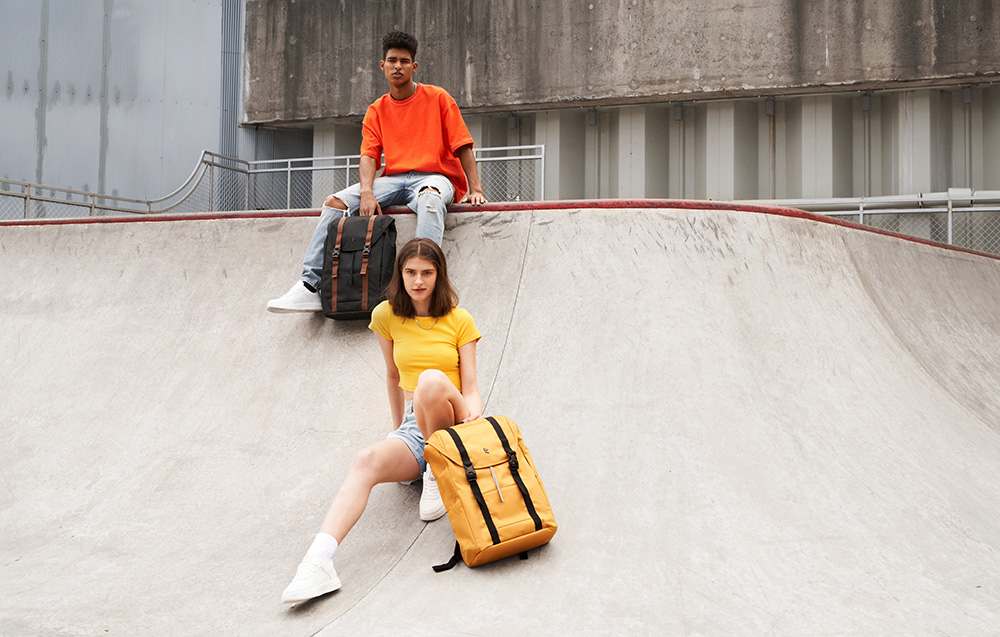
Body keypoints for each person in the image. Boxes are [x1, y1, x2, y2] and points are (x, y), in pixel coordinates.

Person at [281, 238, 483, 604]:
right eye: (410, 272)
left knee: (430, 381)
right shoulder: (386, 316)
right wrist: (396, 430)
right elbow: (392, 376)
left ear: (439, 276)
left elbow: (470, 389)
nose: (418, 280)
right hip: (414, 423)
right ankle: (317, 563)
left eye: (427, 272)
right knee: (365, 461)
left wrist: (473, 420)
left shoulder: (459, 320)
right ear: (400, 274)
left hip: (455, 421)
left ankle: (438, 468)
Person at [267, 31, 487, 313]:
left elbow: (463, 145)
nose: (398, 66)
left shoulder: (438, 98)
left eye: (404, 61)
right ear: (381, 65)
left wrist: (476, 189)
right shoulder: (377, 110)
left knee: (431, 200)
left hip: (434, 177)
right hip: (394, 179)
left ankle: (425, 286)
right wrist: (368, 193)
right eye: (392, 61)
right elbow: (369, 156)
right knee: (335, 202)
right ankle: (310, 286)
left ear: (414, 67)